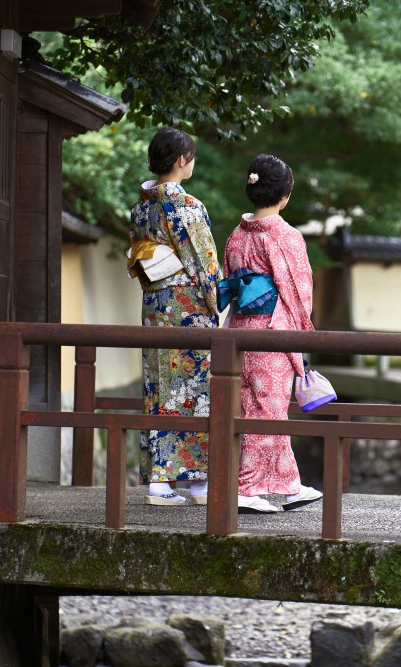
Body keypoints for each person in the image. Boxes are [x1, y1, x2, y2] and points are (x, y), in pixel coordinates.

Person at [221, 154, 323, 513]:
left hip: (239, 331)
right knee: (265, 412)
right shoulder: (284, 236)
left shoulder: (236, 236)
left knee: (258, 408)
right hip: (271, 332)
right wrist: (302, 338)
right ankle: (246, 488)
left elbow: (230, 283)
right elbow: (299, 292)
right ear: (284, 195)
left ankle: (289, 485)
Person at [129, 128, 219, 505]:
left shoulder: (141, 206)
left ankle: (159, 483)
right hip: (187, 308)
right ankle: (196, 484)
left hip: (154, 305)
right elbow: (203, 260)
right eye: (191, 156)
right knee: (194, 391)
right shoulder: (186, 206)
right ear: (182, 159)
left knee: (158, 387)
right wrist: (217, 301)